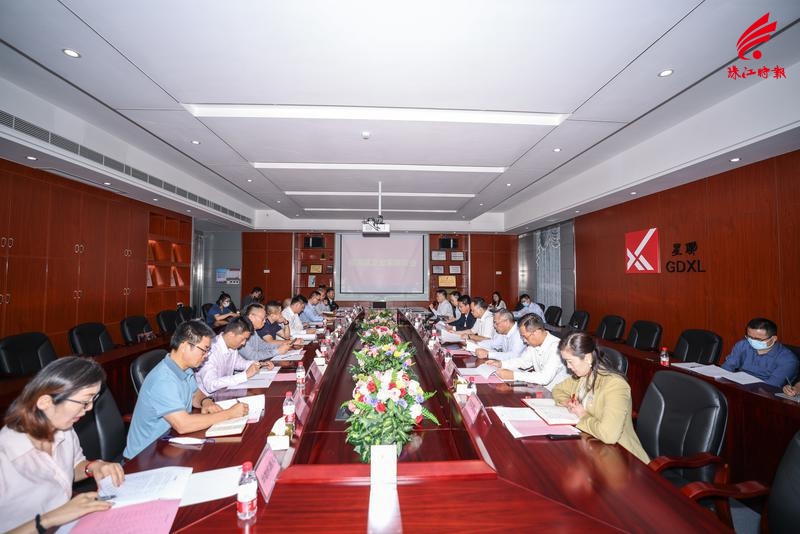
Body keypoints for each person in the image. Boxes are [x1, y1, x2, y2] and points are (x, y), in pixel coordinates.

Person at [1, 357, 125, 533]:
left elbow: (70, 467)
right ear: (45, 402)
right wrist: (50, 518)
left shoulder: (63, 428)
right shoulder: (5, 456)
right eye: (85, 401)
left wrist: (92, 467)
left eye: (93, 399)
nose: (89, 408)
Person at [124, 321, 249, 459]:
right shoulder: (162, 380)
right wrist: (229, 414)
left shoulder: (185, 368)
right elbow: (183, 425)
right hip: (144, 456)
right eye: (204, 350)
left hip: (169, 442)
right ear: (184, 346)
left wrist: (206, 401)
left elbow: (195, 394)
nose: (207, 355)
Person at [552, 332, 649, 464]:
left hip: (623, 458)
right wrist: (568, 402)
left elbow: (608, 435)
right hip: (593, 446)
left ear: (587, 358)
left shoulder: (615, 385)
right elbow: (558, 390)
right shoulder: (582, 376)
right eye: (566, 362)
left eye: (570, 361)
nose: (568, 366)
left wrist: (582, 415)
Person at [486, 313, 567, 389]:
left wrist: (514, 375)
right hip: (541, 389)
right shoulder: (533, 344)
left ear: (536, 332)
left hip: (557, 393)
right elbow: (524, 361)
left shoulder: (557, 347)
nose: (524, 341)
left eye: (525, 337)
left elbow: (544, 378)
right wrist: (501, 364)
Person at [720, 318, 799, 387]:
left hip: (763, 393)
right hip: (738, 385)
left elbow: (771, 387)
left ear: (774, 339)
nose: (752, 341)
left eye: (758, 339)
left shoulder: (788, 360)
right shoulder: (743, 345)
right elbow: (726, 368)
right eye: (749, 337)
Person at [195, 317, 260, 394]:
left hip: (225, 393)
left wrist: (258, 364)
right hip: (208, 397)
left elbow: (239, 363)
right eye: (243, 339)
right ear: (231, 335)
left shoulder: (232, 347)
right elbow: (211, 385)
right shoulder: (210, 351)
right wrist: (244, 375)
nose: (244, 343)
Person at [239, 304, 293, 368]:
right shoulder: (241, 332)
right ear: (251, 317)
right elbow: (252, 356)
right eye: (262, 319)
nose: (264, 321)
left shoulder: (253, 331)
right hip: (244, 370)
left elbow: (263, 345)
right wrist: (277, 351)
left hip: (255, 366)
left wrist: (281, 346)